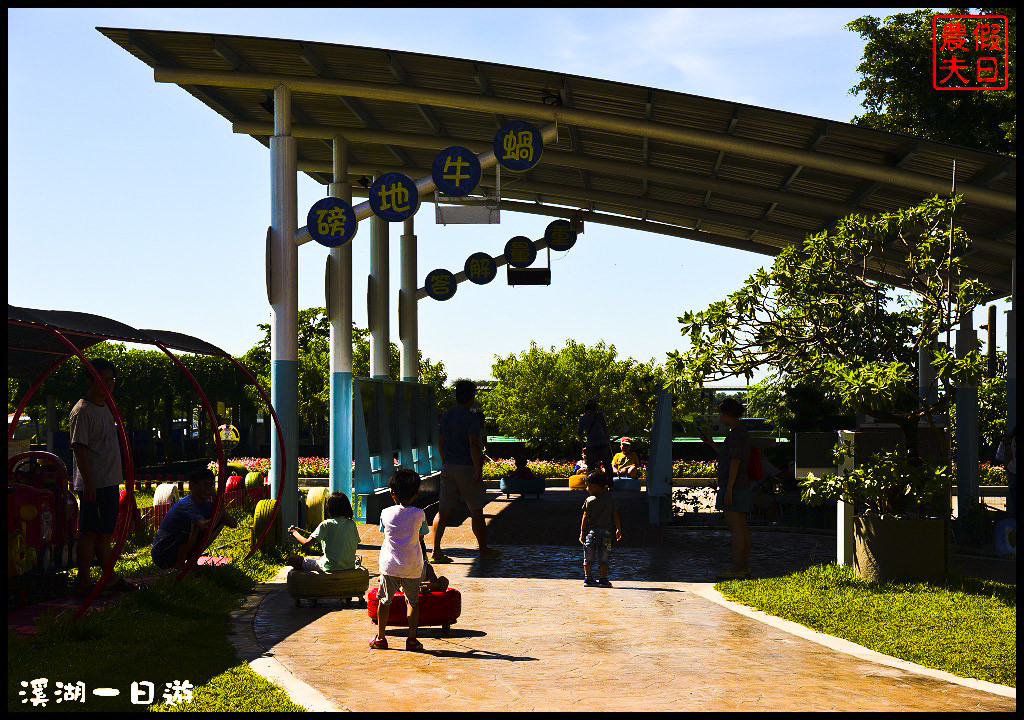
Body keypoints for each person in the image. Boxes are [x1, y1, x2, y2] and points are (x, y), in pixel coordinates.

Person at [70, 358, 133, 594]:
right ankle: (84, 581)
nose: (108, 384)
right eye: (102, 379)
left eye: (111, 379)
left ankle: (109, 577)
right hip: (94, 482)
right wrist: (88, 482)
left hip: (108, 480)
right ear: (90, 381)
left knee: (103, 533)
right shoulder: (82, 411)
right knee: (90, 533)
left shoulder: (105, 406)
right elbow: (79, 447)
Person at [432, 380, 501, 563]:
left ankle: (436, 551)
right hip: (466, 467)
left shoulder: (446, 416)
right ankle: (484, 550)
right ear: (472, 396)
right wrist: (478, 469)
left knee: (443, 510)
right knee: (476, 510)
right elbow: (472, 443)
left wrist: (444, 460)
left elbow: (440, 441)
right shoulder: (470, 418)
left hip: (448, 466)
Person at [372, 468, 430, 651]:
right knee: (412, 602)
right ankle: (412, 639)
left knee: (384, 600)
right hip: (413, 566)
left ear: (392, 493)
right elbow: (421, 536)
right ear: (416, 493)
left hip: (390, 566)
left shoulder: (385, 513)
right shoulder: (420, 514)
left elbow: (385, 533)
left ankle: (381, 637)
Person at [698, 398, 752, 580]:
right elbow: (729, 456)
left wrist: (728, 489)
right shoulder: (741, 431)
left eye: (721, 414)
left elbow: (735, 461)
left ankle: (737, 569)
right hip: (740, 485)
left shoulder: (736, 432)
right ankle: (743, 567)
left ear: (728, 414)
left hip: (734, 487)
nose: (720, 417)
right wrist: (711, 444)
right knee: (742, 529)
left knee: (736, 529)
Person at [151, 468, 238, 570]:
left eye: (211, 485)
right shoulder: (187, 504)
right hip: (163, 554)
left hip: (176, 549)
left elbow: (233, 524)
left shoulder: (207, 505)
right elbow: (204, 526)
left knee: (220, 523)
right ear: (192, 486)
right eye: (204, 485)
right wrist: (219, 512)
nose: (208, 489)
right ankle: (180, 565)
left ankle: (192, 561)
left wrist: (221, 511)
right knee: (194, 525)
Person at [286, 492, 359, 573]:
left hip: (330, 567)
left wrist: (294, 532)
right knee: (319, 559)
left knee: (292, 559)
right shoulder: (352, 524)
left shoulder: (326, 524)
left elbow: (306, 543)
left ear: (329, 509)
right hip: (349, 566)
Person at [579, 471, 623, 587]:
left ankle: (588, 578)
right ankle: (603, 579)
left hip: (591, 533)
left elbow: (585, 518)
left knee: (588, 555)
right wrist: (618, 529)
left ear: (596, 486)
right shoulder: (610, 499)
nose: (587, 488)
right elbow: (615, 515)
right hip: (606, 533)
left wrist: (582, 532)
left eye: (588, 486)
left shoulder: (590, 500)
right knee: (604, 556)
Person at [577, 399, 614, 488]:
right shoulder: (600, 416)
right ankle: (610, 485)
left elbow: (579, 433)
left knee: (591, 466)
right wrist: (607, 439)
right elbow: (605, 429)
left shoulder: (583, 418)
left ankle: (591, 485)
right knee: (607, 464)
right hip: (603, 443)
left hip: (591, 444)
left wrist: (582, 442)